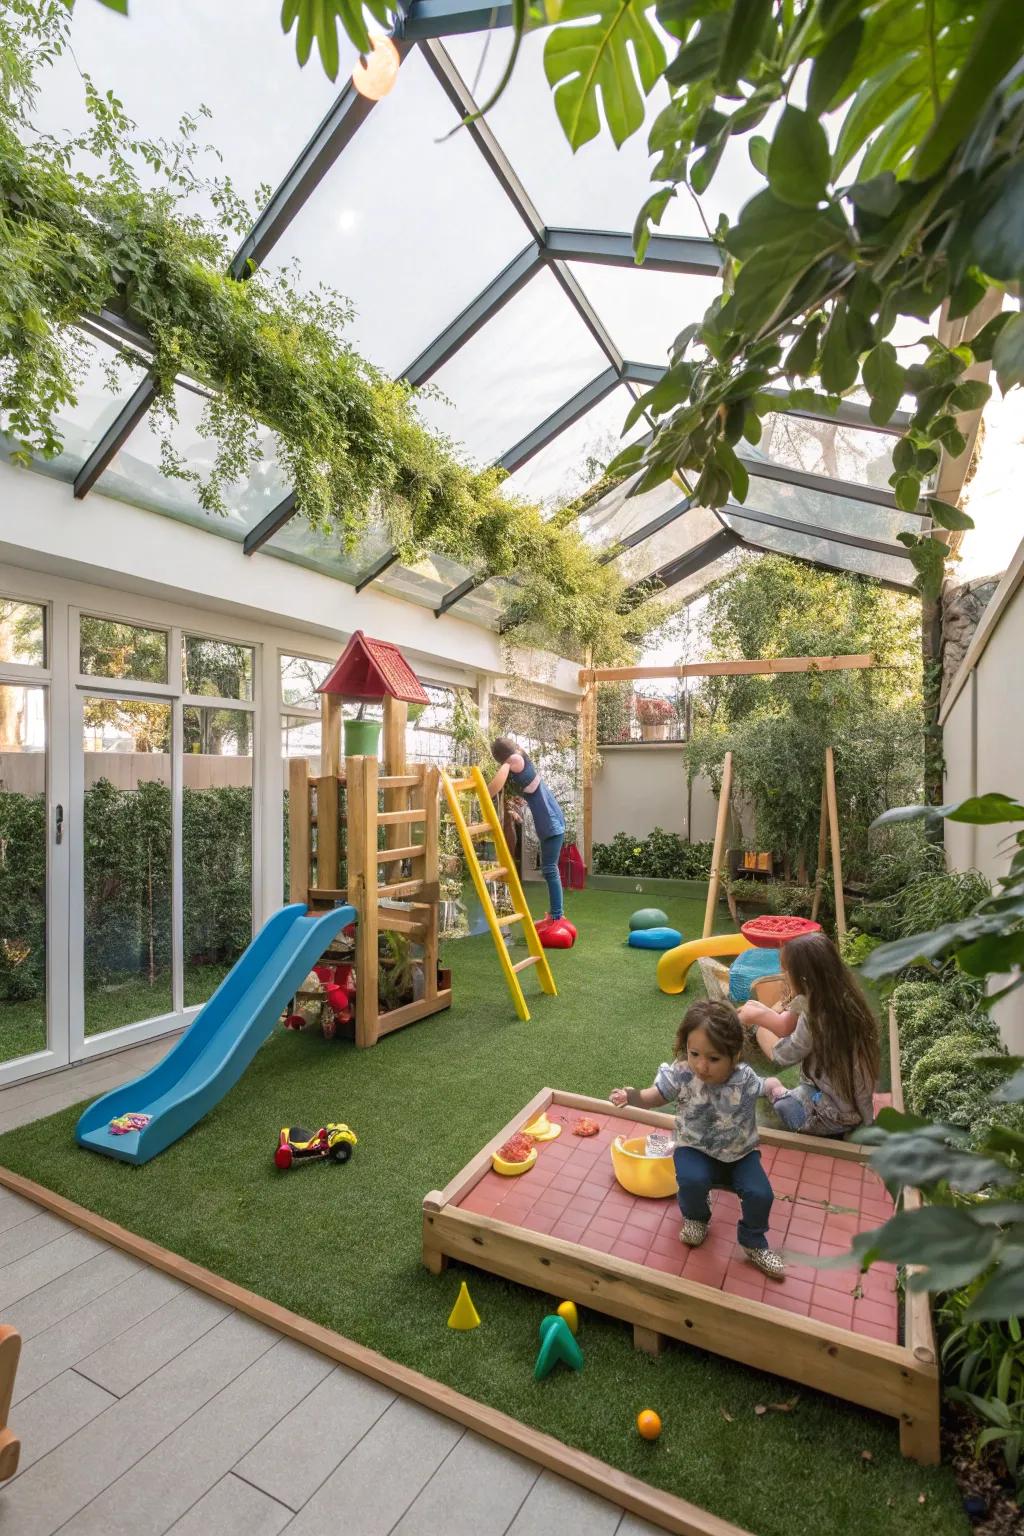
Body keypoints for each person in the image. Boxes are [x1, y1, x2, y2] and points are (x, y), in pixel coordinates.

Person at [609, 999, 784, 1280]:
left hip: (739, 1153)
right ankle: (696, 1218)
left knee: (761, 1194)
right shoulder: (681, 1074)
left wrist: (778, 1090)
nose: (702, 1066)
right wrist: (632, 1097)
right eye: (694, 1053)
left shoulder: (744, 1079)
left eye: (714, 1058)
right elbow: (655, 1097)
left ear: (734, 1055)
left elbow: (767, 1085)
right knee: (691, 1180)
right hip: (694, 1146)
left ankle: (753, 1242)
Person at [738, 931, 879, 1138]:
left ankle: (777, 1091)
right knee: (807, 1090)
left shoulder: (816, 1017)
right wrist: (764, 1014)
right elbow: (787, 1021)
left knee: (785, 1107)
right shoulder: (842, 997)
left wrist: (759, 1024)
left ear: (802, 977)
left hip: (836, 1113)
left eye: (786, 971)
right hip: (846, 1098)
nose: (783, 975)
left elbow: (784, 1055)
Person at [488, 737, 574, 937]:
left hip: (550, 820)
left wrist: (484, 792)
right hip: (549, 819)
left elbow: (495, 786)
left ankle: (557, 915)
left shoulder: (514, 760)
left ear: (500, 756)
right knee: (549, 869)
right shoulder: (519, 760)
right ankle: (555, 914)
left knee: (550, 869)